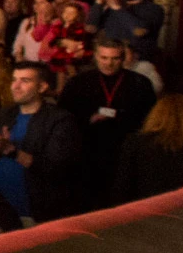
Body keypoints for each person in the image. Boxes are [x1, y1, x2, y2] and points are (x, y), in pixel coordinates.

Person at [0, 61, 83, 223]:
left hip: (36, 210)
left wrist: (10, 150)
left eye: (25, 81)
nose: (16, 86)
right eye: (14, 80)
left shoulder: (60, 120)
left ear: (42, 87)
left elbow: (56, 168)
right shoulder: (2, 115)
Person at [58, 38, 156, 203]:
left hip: (125, 151)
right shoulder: (78, 83)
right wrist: (88, 118)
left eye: (114, 58)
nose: (108, 63)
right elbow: (63, 117)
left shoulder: (140, 83)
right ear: (96, 56)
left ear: (123, 58)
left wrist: (121, 117)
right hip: (87, 152)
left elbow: (149, 118)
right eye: (104, 58)